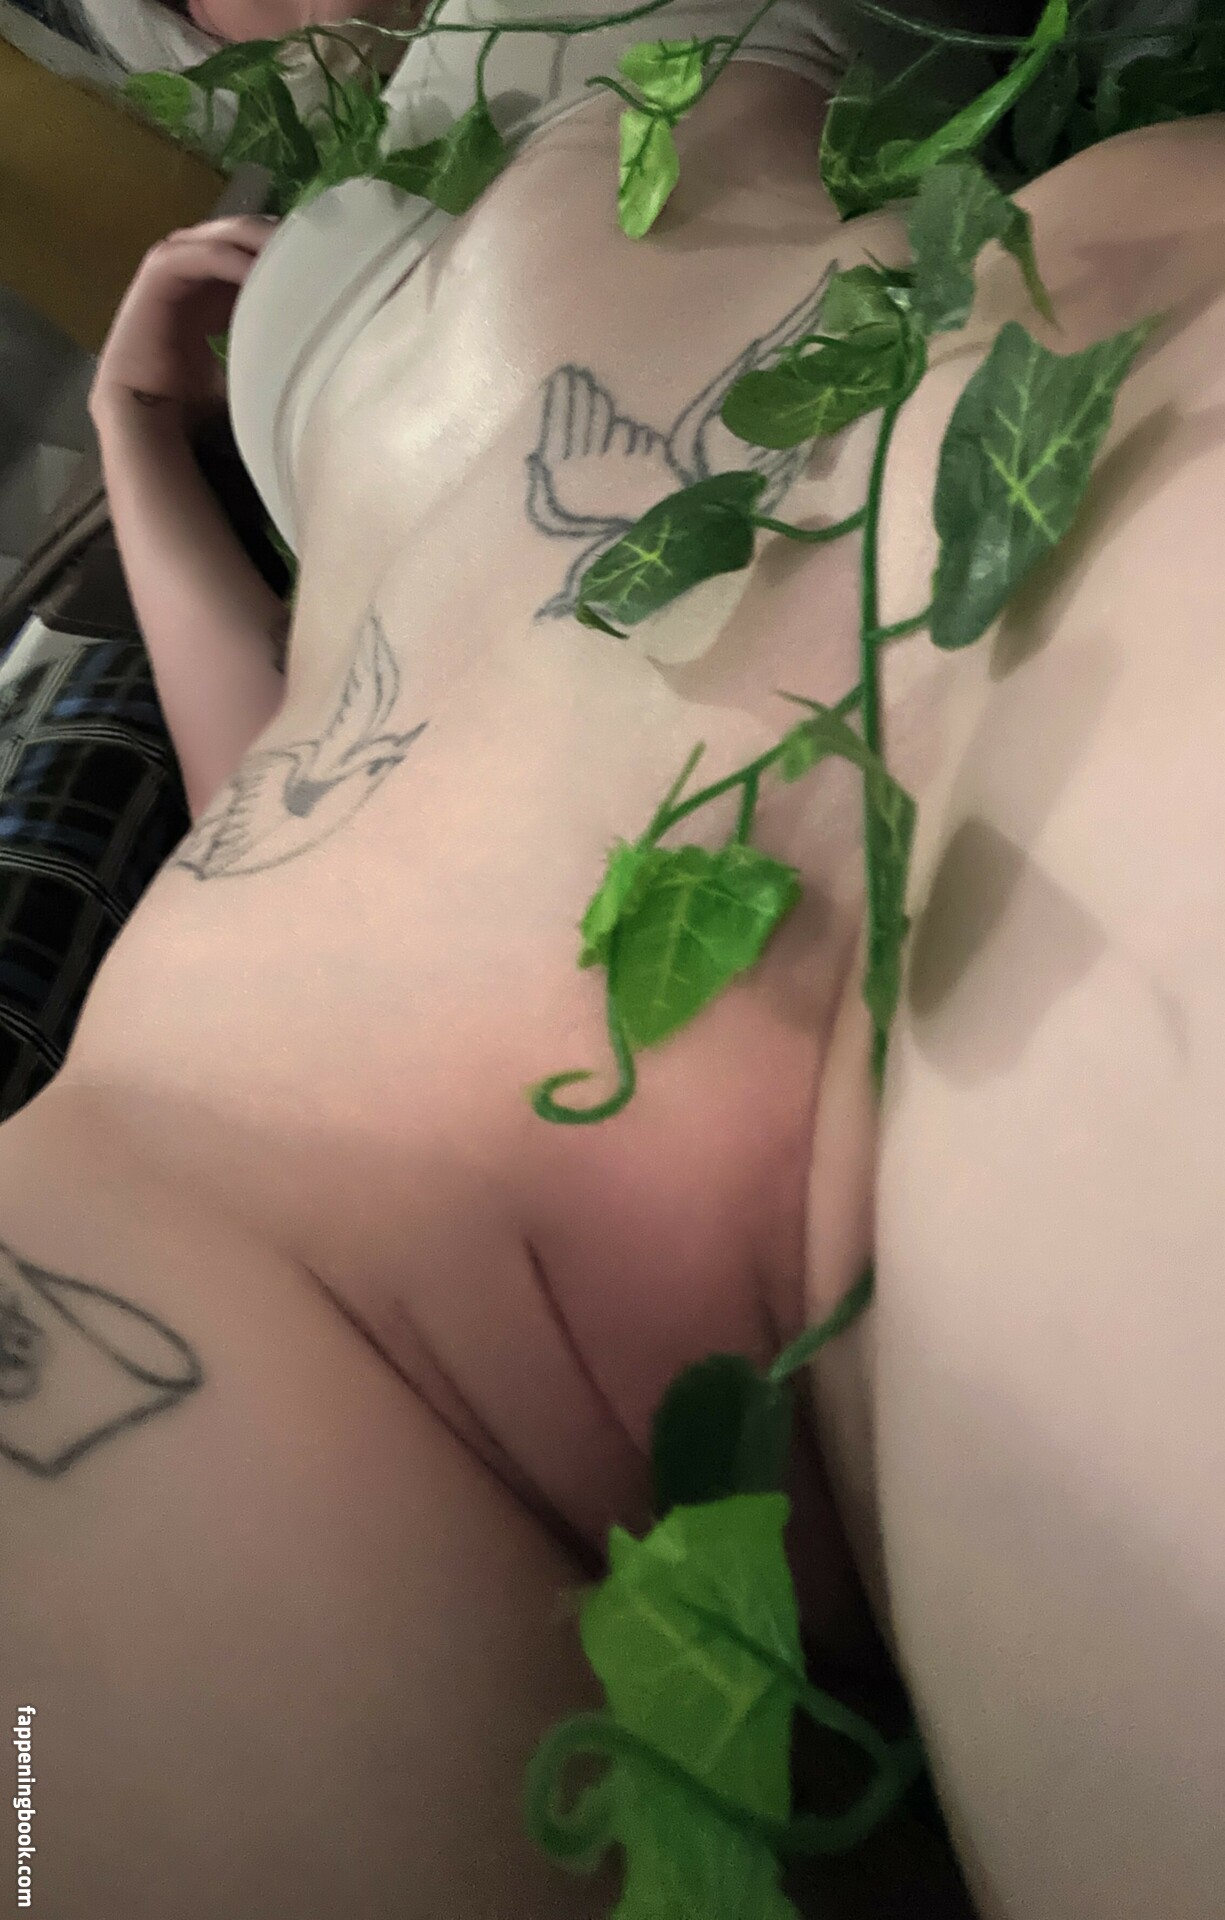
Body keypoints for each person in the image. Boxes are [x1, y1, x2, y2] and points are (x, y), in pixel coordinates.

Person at [3, 1, 1224, 1914]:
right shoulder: (297, 273)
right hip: (295, 1201)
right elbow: (319, 767)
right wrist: (146, 463)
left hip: (1074, 466)